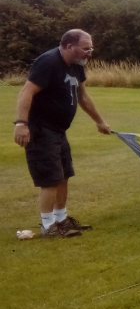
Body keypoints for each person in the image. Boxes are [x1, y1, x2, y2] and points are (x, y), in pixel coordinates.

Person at [13, 29, 111, 238]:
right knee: (50, 178)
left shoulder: (77, 65)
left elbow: (83, 96)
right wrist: (21, 123)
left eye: (91, 48)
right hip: (41, 129)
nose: (90, 53)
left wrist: (100, 122)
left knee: (64, 176)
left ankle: (61, 219)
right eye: (86, 49)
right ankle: (48, 227)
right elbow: (26, 92)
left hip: (58, 131)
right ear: (69, 46)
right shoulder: (48, 62)